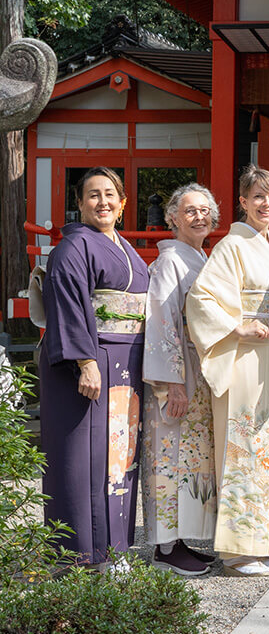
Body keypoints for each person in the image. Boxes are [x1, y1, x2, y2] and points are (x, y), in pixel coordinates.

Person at [38, 167, 149, 568]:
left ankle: (114, 548)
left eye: (110, 195)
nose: (102, 202)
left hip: (125, 361)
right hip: (91, 362)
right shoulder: (73, 247)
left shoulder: (126, 248)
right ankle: (80, 553)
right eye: (92, 195)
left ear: (122, 204)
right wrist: (85, 362)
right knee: (83, 457)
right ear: (80, 203)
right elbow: (66, 306)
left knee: (120, 454)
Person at [186, 166, 269, 577]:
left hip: (267, 354)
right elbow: (202, 299)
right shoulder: (231, 245)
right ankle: (234, 551)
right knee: (240, 444)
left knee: (264, 448)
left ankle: (256, 544)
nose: (267, 204)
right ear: (243, 202)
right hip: (241, 354)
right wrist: (237, 326)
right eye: (258, 197)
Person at [141, 183, 221, 576]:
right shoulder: (170, 262)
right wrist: (171, 382)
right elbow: (162, 321)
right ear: (172, 217)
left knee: (192, 459)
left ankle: (182, 539)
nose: (199, 216)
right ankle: (164, 547)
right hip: (178, 374)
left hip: (199, 371)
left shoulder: (201, 259)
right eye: (189, 210)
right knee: (169, 455)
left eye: (205, 210)